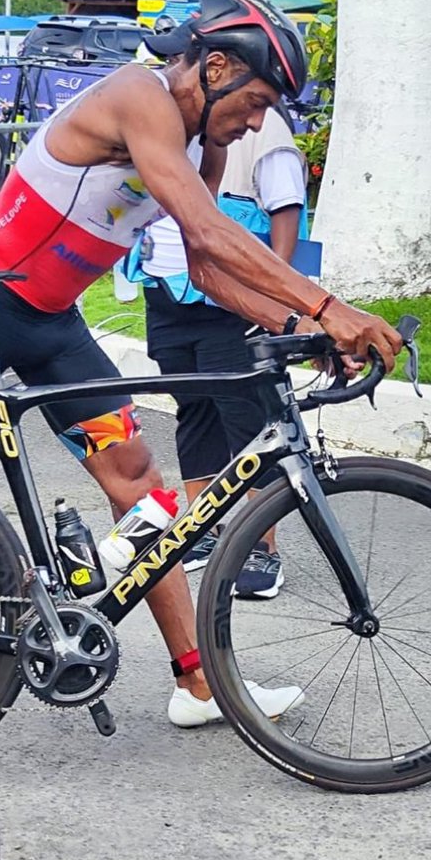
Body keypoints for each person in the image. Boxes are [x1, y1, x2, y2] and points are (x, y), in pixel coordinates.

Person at [0, 0, 403, 730]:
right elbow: (210, 232)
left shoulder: (204, 140)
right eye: (256, 103)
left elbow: (203, 267)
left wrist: (298, 327)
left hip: (51, 320)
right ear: (215, 67)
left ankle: (197, 684)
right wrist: (330, 307)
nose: (256, 123)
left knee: (138, 482)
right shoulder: (138, 96)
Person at [131, 100, 311, 598]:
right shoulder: (174, 124)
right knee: (194, 412)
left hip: (233, 303)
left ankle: (260, 547)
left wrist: (274, 296)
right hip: (167, 294)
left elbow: (286, 210)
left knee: (248, 423)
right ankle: (203, 531)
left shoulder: (262, 129)